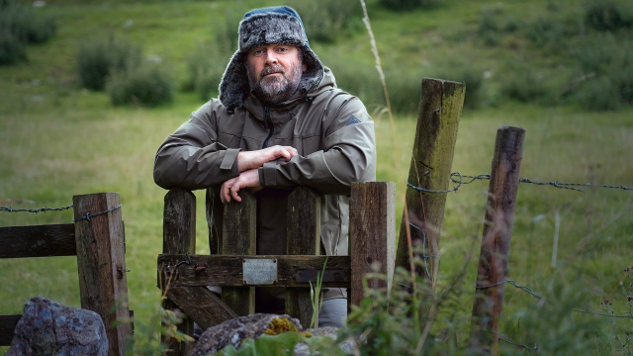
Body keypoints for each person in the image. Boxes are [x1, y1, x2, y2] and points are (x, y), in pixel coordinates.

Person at [153, 5, 376, 328]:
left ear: (302, 57)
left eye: (281, 49)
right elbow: (166, 162)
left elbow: (356, 165)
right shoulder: (222, 113)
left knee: (337, 347)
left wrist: (267, 174)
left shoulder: (338, 107)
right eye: (259, 51)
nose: (270, 58)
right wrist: (242, 159)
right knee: (196, 343)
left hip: (322, 285)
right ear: (245, 63)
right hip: (231, 281)